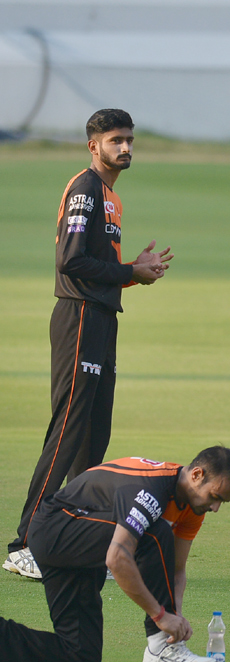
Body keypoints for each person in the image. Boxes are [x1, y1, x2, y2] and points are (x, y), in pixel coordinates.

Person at [4, 109, 174, 581]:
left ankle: (61, 537)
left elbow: (98, 267)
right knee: (69, 431)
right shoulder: (86, 187)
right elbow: (71, 261)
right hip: (78, 319)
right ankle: (24, 544)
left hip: (101, 319)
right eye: (116, 140)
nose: (126, 148)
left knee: (93, 436)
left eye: (130, 140)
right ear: (93, 145)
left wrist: (133, 275)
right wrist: (128, 273)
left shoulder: (110, 196)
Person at [0, 447, 230, 662]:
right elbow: (117, 558)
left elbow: (177, 570)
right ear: (197, 475)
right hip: (55, 528)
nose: (215, 507)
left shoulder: (193, 506)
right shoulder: (153, 490)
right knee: (153, 532)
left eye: (222, 501)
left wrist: (176, 616)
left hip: (80, 540)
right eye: (214, 496)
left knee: (80, 653)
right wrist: (161, 617)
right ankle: (160, 652)